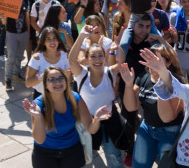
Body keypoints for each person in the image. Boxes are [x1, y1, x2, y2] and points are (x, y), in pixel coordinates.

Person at [22, 66, 112, 168]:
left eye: (61, 78)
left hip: (72, 150)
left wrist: (96, 119)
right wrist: (38, 117)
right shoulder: (38, 105)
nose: (58, 82)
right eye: (52, 79)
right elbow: (39, 140)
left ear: (66, 81)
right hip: (45, 153)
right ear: (46, 85)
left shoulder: (75, 98)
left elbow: (91, 129)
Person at [67, 29, 125, 167]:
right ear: (87, 59)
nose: (97, 60)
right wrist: (81, 36)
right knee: (84, 158)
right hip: (86, 121)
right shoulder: (81, 74)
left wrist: (118, 47)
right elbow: (71, 59)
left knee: (114, 157)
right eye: (93, 56)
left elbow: (122, 62)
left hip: (109, 123)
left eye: (100, 56)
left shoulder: (109, 72)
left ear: (105, 58)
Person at [25, 27, 70, 96]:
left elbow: (70, 79)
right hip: (42, 96)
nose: (52, 42)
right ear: (43, 42)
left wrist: (67, 76)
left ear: (58, 40)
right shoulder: (37, 58)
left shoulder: (65, 56)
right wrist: (41, 77)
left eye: (54, 38)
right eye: (48, 39)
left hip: (61, 95)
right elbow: (28, 83)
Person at [4, 0, 32, 91]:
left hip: (23, 33)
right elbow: (4, 22)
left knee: (20, 56)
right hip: (12, 33)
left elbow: (27, 18)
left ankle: (16, 75)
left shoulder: (25, 1)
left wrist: (28, 34)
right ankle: (8, 79)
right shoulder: (8, 2)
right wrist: (3, 17)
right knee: (11, 57)